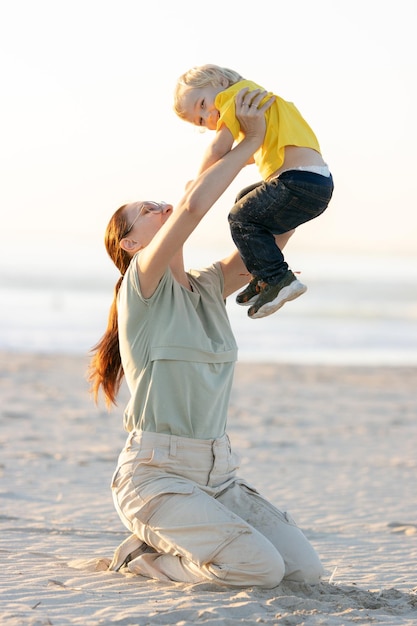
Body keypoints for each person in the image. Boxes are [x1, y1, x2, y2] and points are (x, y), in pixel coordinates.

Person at [88, 89, 324, 588]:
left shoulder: (207, 286)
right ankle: (144, 559)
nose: (163, 206)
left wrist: (296, 178)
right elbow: (193, 206)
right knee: (259, 570)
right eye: (148, 210)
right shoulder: (142, 284)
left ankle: (185, 537)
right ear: (132, 244)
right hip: (156, 476)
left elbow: (272, 234)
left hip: (218, 476)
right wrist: (246, 142)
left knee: (304, 573)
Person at [173, 64, 334, 319]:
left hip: (294, 181)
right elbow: (246, 155)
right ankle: (262, 274)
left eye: (203, 104)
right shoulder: (260, 100)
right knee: (244, 200)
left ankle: (277, 277)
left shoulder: (234, 98)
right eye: (202, 120)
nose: (209, 116)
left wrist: (198, 182)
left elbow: (218, 150)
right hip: (318, 183)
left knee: (240, 218)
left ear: (222, 81)